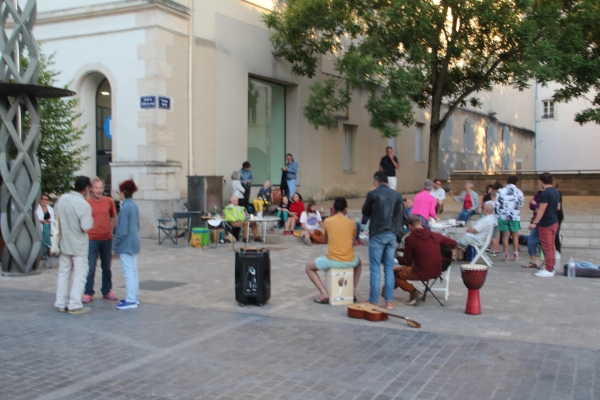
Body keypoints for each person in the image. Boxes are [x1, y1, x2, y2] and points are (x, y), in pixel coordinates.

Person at [362, 171, 405, 310]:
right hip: (392, 234)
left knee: (375, 268)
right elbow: (402, 215)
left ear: (376, 181)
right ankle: (389, 301)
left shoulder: (373, 194)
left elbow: (365, 211)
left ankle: (374, 300)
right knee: (388, 268)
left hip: (378, 233)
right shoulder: (397, 195)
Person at [306, 197, 362, 303]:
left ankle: (324, 293)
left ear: (334, 209)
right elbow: (352, 242)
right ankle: (352, 291)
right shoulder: (352, 223)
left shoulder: (328, 221)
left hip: (332, 260)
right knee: (359, 263)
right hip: (350, 260)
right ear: (346, 208)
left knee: (309, 267)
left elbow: (325, 240)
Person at [394, 216, 457, 305]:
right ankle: (387, 289)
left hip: (421, 272)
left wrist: (396, 256)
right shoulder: (434, 235)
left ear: (409, 226)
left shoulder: (410, 239)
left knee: (393, 273)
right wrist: (450, 252)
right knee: (397, 272)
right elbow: (453, 243)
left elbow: (407, 262)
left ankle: (414, 293)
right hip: (437, 270)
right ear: (420, 222)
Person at [54, 176, 94, 315]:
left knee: (63, 273)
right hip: (78, 244)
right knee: (79, 274)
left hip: (64, 242)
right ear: (86, 188)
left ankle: (61, 302)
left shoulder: (62, 199)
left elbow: (55, 217)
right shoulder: (84, 205)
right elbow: (86, 227)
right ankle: (74, 304)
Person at [82, 177, 119, 303]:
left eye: (101, 188)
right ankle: (88, 292)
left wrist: (111, 230)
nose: (99, 190)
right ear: (91, 189)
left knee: (107, 267)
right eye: (96, 188)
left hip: (106, 239)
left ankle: (107, 291)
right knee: (90, 268)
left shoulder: (109, 201)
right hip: (92, 239)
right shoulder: (87, 202)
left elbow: (114, 216)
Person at [113, 179, 141, 309]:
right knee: (133, 270)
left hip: (126, 243)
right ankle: (133, 296)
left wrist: (116, 242)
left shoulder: (125, 207)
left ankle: (130, 299)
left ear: (123, 193)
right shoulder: (134, 205)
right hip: (134, 242)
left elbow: (122, 229)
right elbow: (137, 225)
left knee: (128, 271)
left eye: (119, 191)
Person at [529, 172, 560, 277]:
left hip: (546, 223)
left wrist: (534, 223)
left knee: (547, 247)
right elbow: (557, 207)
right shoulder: (556, 192)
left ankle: (549, 269)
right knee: (551, 246)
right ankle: (551, 266)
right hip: (554, 221)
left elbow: (541, 210)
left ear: (541, 182)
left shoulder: (545, 194)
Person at [495, 175, 525, 262]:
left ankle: (506, 256)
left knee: (505, 236)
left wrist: (498, 214)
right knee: (515, 235)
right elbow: (521, 203)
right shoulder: (519, 192)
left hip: (503, 215)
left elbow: (497, 204)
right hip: (514, 216)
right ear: (516, 183)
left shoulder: (501, 191)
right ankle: (515, 255)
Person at [522, 182, 543, 269]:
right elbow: (531, 204)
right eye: (539, 184)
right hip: (535, 221)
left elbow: (544, 208)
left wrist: (538, 207)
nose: (540, 186)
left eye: (541, 184)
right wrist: (538, 208)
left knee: (545, 243)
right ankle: (533, 261)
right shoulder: (538, 194)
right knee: (531, 241)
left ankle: (546, 263)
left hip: (545, 222)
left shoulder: (548, 194)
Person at [554, 179, 564, 261]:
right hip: (554, 215)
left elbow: (558, 207)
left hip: (557, 215)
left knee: (556, 233)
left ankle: (558, 250)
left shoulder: (557, 193)